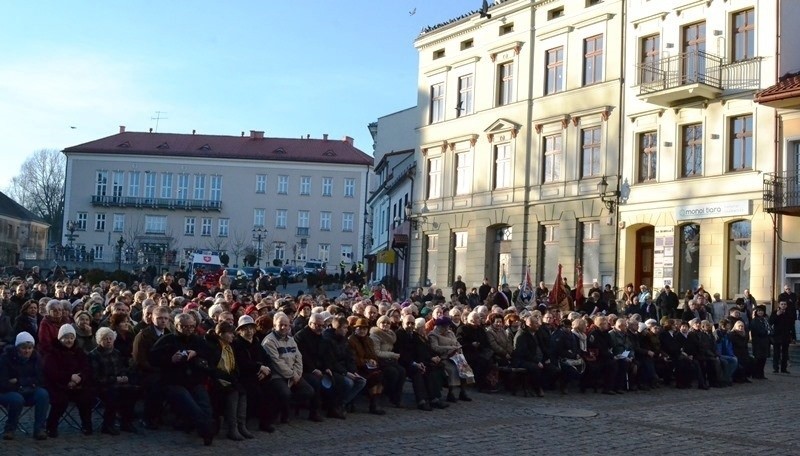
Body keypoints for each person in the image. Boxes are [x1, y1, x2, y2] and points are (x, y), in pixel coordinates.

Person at [149, 313, 216, 446]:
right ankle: (207, 430)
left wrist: (195, 353)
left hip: (195, 380)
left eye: (191, 326)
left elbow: (211, 353)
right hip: (174, 381)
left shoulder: (198, 340)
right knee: (190, 405)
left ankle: (206, 429)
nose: (188, 329)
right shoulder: (167, 340)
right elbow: (153, 358)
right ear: (177, 326)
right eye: (185, 327)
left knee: (205, 403)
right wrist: (171, 359)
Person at [261, 312, 322, 423]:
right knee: (285, 393)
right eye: (281, 325)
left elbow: (298, 357)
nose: (284, 327)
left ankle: (284, 407)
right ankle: (283, 412)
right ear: (275, 326)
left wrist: (297, 374)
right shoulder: (269, 341)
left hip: (293, 374)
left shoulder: (291, 339)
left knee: (308, 391)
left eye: (286, 325)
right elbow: (276, 362)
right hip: (276, 375)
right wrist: (292, 375)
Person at [43, 324, 94, 437]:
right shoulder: (52, 353)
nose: (69, 340)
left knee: (86, 397)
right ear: (60, 338)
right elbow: (52, 372)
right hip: (57, 385)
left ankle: (86, 425)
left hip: (77, 383)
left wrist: (79, 378)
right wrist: (69, 378)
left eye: (71, 337)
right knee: (61, 400)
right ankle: (51, 426)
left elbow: (86, 368)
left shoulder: (79, 351)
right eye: (66, 337)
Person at [88, 327, 141, 435]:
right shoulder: (93, 355)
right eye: (105, 339)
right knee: (113, 395)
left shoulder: (116, 352)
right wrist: (115, 379)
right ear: (99, 340)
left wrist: (124, 376)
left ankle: (126, 422)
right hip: (101, 386)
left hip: (118, 383)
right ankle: (108, 425)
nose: (108, 341)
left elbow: (121, 368)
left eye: (110, 338)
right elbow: (95, 377)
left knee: (133, 391)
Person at [205, 321, 252, 441]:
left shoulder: (229, 346)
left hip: (229, 378)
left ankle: (241, 425)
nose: (233, 336)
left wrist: (234, 377)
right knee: (233, 392)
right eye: (230, 333)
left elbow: (234, 366)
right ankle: (232, 428)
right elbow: (212, 368)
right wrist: (229, 378)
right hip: (215, 380)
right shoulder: (213, 346)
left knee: (242, 391)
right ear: (221, 334)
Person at [0, 332, 49, 440]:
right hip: (8, 392)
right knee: (17, 399)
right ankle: (10, 429)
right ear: (17, 348)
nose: (27, 351)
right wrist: (24, 383)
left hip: (29, 390)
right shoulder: (5, 359)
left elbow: (40, 379)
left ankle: (39, 429)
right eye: (24, 348)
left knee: (43, 394)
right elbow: (3, 382)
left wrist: (19, 382)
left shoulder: (36, 358)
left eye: (30, 348)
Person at [393, 314, 447, 411]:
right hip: (404, 363)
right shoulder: (398, 334)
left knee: (429, 369)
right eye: (408, 323)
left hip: (416, 362)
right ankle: (421, 401)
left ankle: (433, 398)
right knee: (417, 372)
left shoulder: (414, 335)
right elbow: (401, 353)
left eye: (412, 323)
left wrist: (421, 362)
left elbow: (420, 350)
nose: (410, 325)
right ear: (402, 323)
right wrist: (415, 363)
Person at [132, 305, 170, 429]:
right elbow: (139, 359)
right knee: (156, 384)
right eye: (159, 318)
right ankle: (148, 417)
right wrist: (156, 370)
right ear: (152, 319)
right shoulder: (143, 335)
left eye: (165, 318)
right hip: (145, 372)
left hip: (163, 370)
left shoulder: (169, 334)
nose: (163, 321)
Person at [322, 315, 367, 414]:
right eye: (344, 328)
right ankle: (336, 406)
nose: (347, 330)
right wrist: (345, 373)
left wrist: (353, 371)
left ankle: (341, 404)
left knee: (361, 381)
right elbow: (331, 361)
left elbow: (350, 357)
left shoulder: (344, 340)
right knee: (348, 383)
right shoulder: (327, 340)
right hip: (333, 370)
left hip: (344, 368)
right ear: (337, 328)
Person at [348, 318, 386, 415]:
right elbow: (353, 358)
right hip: (358, 367)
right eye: (360, 328)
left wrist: (373, 361)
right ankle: (373, 404)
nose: (362, 331)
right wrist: (366, 361)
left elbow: (373, 354)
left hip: (369, 366)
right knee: (375, 376)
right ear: (355, 329)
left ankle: (375, 401)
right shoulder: (351, 340)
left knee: (382, 374)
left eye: (364, 329)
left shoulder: (369, 340)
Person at [369, 315, 406, 408]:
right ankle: (389, 394)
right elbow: (377, 352)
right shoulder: (375, 335)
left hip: (390, 360)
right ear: (378, 324)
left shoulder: (391, 335)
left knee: (402, 371)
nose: (385, 324)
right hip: (380, 361)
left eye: (388, 323)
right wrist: (392, 355)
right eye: (383, 322)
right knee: (393, 372)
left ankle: (397, 398)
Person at [512, 315, 545, 397]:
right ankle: (537, 388)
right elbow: (524, 352)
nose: (538, 325)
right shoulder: (522, 335)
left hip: (531, 358)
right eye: (536, 323)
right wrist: (537, 361)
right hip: (520, 360)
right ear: (529, 325)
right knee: (535, 367)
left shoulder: (535, 334)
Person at [769, 301, 793, 374]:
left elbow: (792, 324)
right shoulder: (775, 312)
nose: (783, 305)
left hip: (786, 335)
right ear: (779, 305)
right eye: (782, 304)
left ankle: (784, 368)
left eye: (785, 304)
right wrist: (777, 315)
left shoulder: (789, 313)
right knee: (776, 353)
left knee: (785, 353)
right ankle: (775, 368)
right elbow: (770, 322)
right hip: (777, 336)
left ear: (786, 305)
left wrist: (792, 336)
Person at [749, 305, 771, 379]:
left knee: (763, 358)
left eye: (761, 311)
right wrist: (766, 332)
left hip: (765, 341)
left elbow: (769, 328)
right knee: (758, 358)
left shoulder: (765, 319)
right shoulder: (754, 320)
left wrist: (769, 332)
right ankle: (755, 374)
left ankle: (761, 374)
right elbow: (756, 331)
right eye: (758, 311)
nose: (760, 312)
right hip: (758, 341)